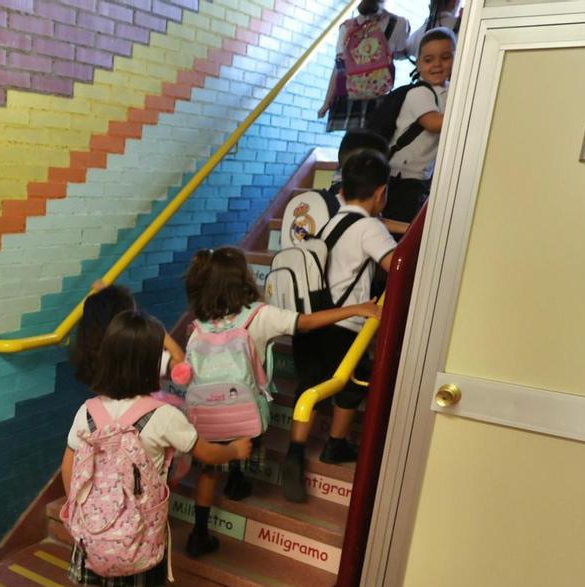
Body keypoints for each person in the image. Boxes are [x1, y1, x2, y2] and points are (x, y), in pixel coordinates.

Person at [63, 310, 250, 587]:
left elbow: (70, 466)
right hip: (136, 536)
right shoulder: (163, 416)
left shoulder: (88, 410)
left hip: (93, 531)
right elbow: (205, 453)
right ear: (151, 363)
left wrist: (79, 517)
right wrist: (235, 451)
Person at [182, 248, 379, 552]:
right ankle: (237, 477)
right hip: (246, 413)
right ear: (242, 279)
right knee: (246, 432)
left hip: (207, 414)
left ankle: (199, 533)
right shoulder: (260, 315)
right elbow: (307, 322)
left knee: (209, 469)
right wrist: (355, 310)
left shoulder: (199, 327)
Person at [283, 150, 397, 503]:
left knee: (310, 386)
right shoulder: (370, 227)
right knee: (350, 385)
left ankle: (295, 453)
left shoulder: (330, 222)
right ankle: (335, 444)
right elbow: (397, 266)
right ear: (380, 193)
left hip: (314, 319)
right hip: (345, 324)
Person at [384, 28, 456, 223]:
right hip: (400, 176)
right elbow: (433, 123)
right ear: (418, 63)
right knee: (403, 226)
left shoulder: (451, 91)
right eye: (428, 60)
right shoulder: (418, 93)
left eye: (445, 57)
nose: (437, 65)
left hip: (420, 177)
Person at [70, 283, 185, 389]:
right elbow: (179, 361)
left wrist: (104, 301)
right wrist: (157, 328)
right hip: (142, 407)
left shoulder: (90, 351)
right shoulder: (141, 351)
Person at [320, 1, 411, 131]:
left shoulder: (347, 27)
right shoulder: (398, 23)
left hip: (350, 93)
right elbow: (400, 53)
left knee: (352, 144)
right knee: (373, 142)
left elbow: (340, 67)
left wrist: (328, 101)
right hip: (379, 93)